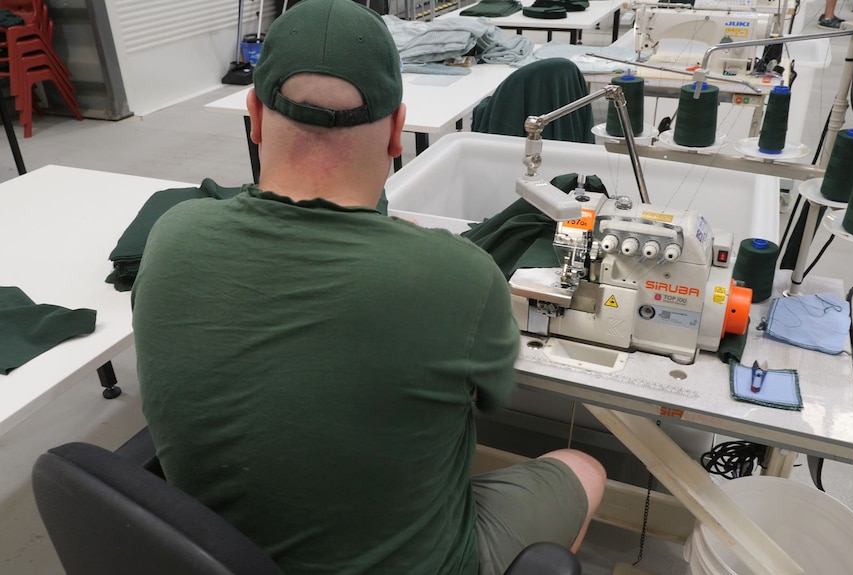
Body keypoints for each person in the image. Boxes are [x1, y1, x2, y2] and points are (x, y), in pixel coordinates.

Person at [131, 0, 605, 573]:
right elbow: (496, 397)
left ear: (254, 116)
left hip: (217, 553)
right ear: (397, 132)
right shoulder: (459, 276)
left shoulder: (172, 235)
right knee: (584, 468)